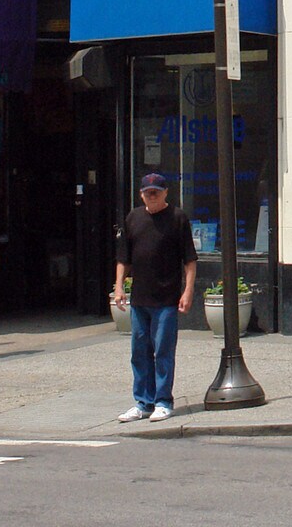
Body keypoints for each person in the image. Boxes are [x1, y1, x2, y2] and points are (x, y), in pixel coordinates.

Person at [111, 173, 195, 423]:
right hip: (139, 299)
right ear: (141, 194)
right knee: (139, 352)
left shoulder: (178, 218)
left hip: (167, 299)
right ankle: (143, 402)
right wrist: (119, 287)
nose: (152, 196)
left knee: (163, 351)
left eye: (157, 192)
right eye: (148, 193)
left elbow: (189, 259)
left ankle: (163, 401)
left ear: (166, 192)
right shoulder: (134, 218)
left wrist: (188, 290)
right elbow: (123, 258)